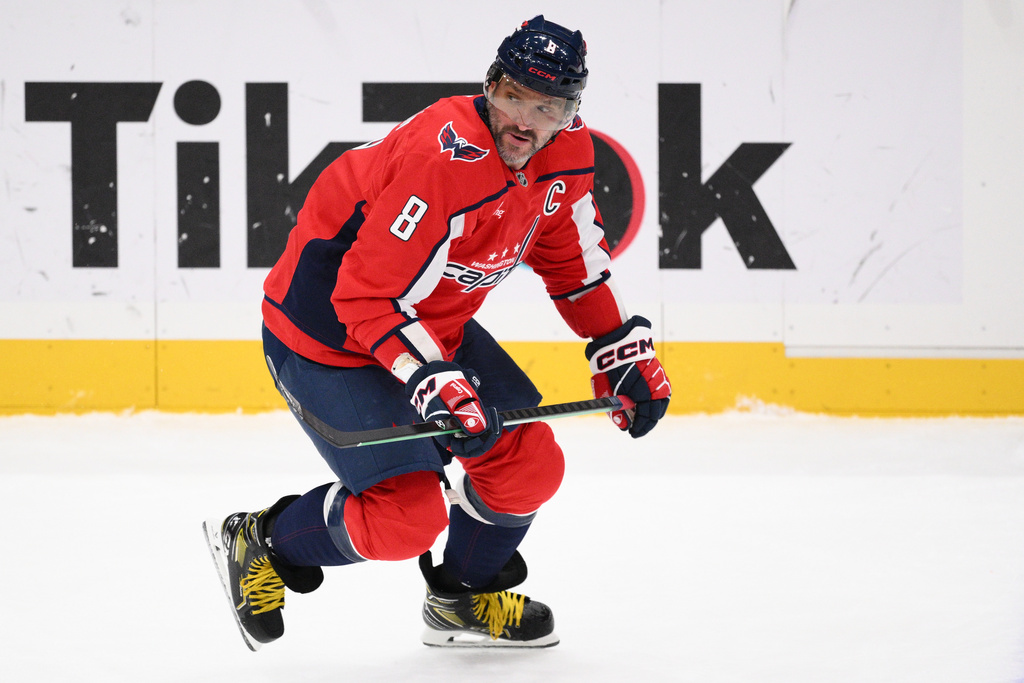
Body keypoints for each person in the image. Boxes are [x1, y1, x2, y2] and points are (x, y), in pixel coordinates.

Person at [203, 15, 671, 651]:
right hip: (325, 341)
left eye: (548, 106)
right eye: (512, 97)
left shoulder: (568, 156)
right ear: (490, 87)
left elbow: (572, 262)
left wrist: (618, 346)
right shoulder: (437, 158)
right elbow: (365, 295)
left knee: (528, 464)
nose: (525, 122)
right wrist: (429, 378)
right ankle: (262, 539)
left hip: (426, 326)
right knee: (405, 518)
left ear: (572, 111)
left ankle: (461, 601)